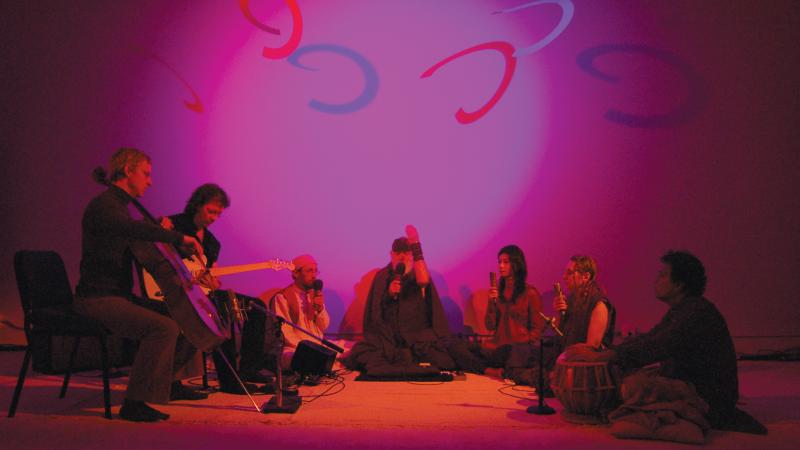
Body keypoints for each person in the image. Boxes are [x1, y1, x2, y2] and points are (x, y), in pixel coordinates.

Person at [74, 147, 208, 422]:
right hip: (98, 299)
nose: (150, 181)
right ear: (127, 171)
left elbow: (135, 233)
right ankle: (134, 403)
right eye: (145, 174)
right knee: (163, 328)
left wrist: (162, 234)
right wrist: (179, 238)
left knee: (182, 317)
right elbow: (134, 229)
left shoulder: (118, 208)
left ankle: (169, 382)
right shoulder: (105, 206)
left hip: (117, 296)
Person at [568, 251, 762, 432]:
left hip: (708, 397)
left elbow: (655, 346)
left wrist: (607, 355)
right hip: (687, 381)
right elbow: (651, 338)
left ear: (678, 284)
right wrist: (610, 355)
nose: (656, 280)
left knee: (631, 386)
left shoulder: (696, 313)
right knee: (630, 374)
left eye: (662, 275)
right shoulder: (683, 309)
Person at [164, 184, 272, 393]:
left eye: (218, 214)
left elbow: (210, 276)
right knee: (221, 311)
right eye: (211, 211)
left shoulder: (213, 243)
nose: (213, 218)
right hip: (177, 292)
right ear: (197, 205)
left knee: (256, 307)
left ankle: (248, 369)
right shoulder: (174, 225)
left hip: (202, 293)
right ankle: (230, 381)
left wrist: (212, 281)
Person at [343, 225, 483, 376]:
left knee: (450, 354)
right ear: (391, 255)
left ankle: (486, 368)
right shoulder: (382, 276)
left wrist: (416, 246)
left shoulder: (418, 274)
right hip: (388, 339)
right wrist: (389, 295)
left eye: (407, 253)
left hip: (417, 339)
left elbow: (423, 281)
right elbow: (376, 313)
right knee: (363, 354)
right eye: (398, 253)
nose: (402, 257)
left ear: (412, 256)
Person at [482, 245, 545, 378]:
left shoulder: (529, 293)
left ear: (516, 264)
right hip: (498, 348)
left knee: (513, 356)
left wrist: (522, 341)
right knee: (460, 349)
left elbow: (537, 329)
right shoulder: (497, 292)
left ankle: (493, 370)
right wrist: (491, 302)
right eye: (499, 262)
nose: (501, 266)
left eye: (506, 262)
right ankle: (495, 370)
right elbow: (490, 325)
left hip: (516, 349)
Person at [270, 254, 330, 368]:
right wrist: (308, 348)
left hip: (317, 346)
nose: (314, 276)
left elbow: (324, 326)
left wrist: (320, 309)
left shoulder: (315, 295)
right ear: (296, 273)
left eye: (315, 271)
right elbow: (285, 333)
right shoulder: (283, 297)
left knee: (347, 349)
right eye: (309, 271)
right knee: (302, 358)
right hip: (294, 348)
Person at [552, 255, 615, 354]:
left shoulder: (599, 304)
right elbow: (558, 337)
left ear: (585, 276)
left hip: (583, 366)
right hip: (568, 361)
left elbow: (591, 349)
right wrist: (559, 314)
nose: (564, 277)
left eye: (569, 273)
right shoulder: (572, 300)